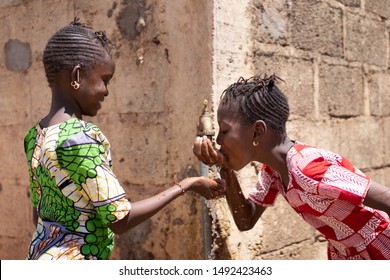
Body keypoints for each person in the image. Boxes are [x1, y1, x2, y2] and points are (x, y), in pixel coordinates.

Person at [23, 18, 224, 260]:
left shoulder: (35, 135)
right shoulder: (81, 138)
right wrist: (188, 185)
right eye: (104, 80)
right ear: (77, 75)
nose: (107, 91)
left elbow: (39, 216)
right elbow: (120, 220)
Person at [193, 74, 390, 260]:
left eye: (225, 130)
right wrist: (225, 167)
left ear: (257, 132)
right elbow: (245, 220)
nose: (218, 140)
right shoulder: (274, 171)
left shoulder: (308, 169)